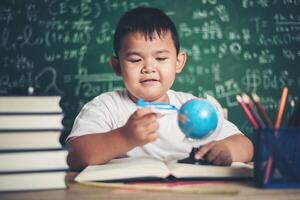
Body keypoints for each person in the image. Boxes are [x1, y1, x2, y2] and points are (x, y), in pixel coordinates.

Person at [66, 6, 253, 171]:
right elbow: (74, 155)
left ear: (178, 62)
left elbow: (246, 145)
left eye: (161, 58)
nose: (149, 68)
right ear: (117, 66)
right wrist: (124, 137)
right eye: (135, 60)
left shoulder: (194, 108)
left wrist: (227, 150)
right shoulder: (105, 107)